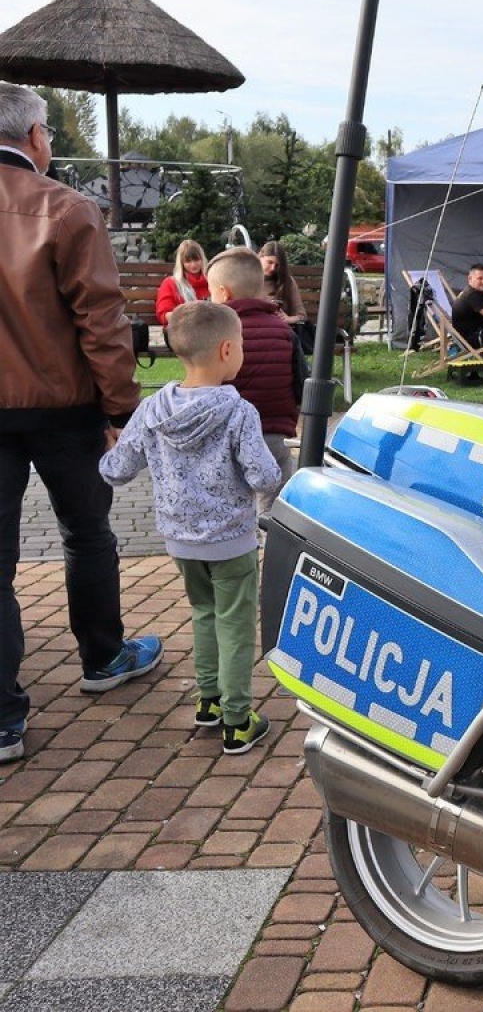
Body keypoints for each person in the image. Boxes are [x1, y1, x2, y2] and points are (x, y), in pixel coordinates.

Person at [1, 82, 163, 764]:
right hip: (66, 408)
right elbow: (101, 320)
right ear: (36, 137)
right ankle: (102, 657)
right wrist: (121, 410)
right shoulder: (64, 208)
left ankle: (3, 721)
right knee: (86, 532)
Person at [99, 301, 279, 754]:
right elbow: (264, 478)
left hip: (180, 540)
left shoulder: (152, 410)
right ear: (224, 350)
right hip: (230, 540)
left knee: (203, 613)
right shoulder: (239, 413)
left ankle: (209, 700)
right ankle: (238, 720)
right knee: (235, 625)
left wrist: (107, 447)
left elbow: (116, 470)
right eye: (239, 346)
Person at [207, 248, 302, 514]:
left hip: (228, 436)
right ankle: (272, 552)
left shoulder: (217, 334)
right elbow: (299, 383)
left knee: (230, 508)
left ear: (224, 294)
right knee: (273, 510)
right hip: (275, 434)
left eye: (211, 292)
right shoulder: (284, 331)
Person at [259, 240, 311, 352]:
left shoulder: (287, 282)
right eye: (269, 262)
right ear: (261, 258)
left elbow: (301, 315)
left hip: (280, 330)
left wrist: (288, 319)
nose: (273, 268)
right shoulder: (249, 279)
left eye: (277, 265)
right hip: (257, 328)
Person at [155, 239, 210, 326]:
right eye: (188, 261)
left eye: (196, 260)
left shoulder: (212, 281)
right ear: (181, 263)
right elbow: (164, 314)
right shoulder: (170, 283)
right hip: (182, 329)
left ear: (202, 259)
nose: (193, 265)